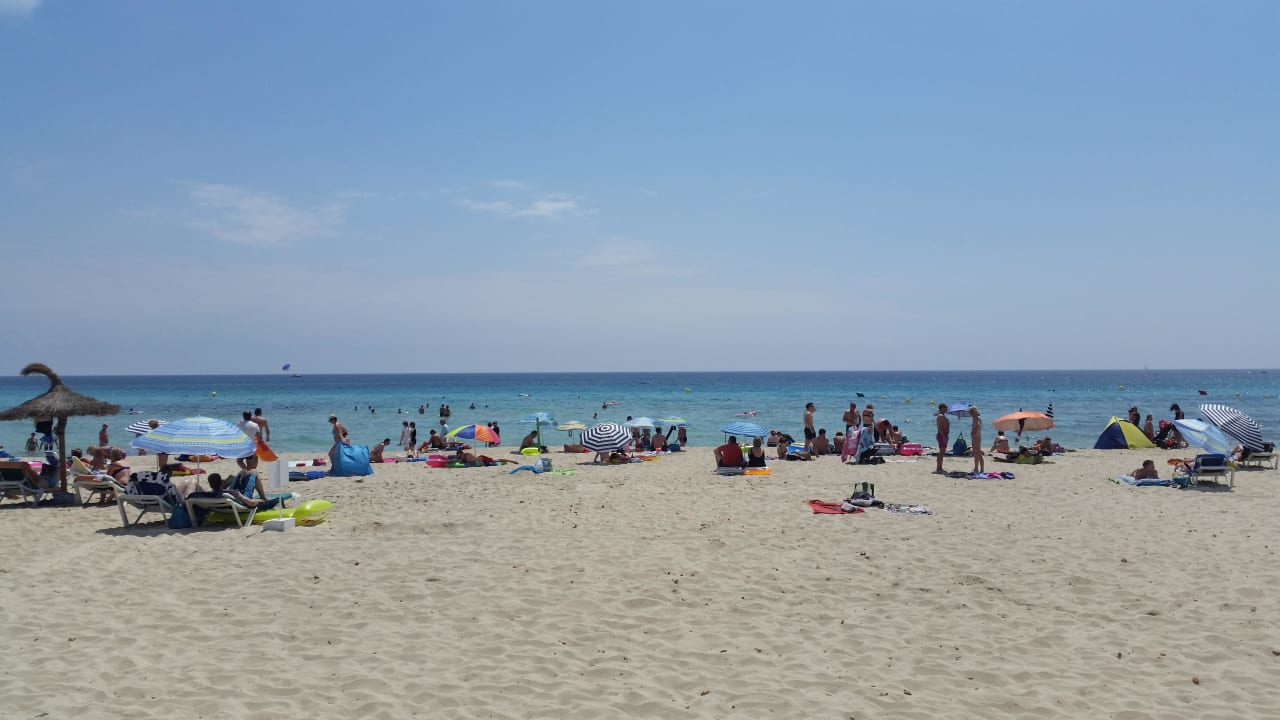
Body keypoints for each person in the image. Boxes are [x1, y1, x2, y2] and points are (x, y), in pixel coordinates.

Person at [935, 404, 950, 473]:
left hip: (944, 435)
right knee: (941, 452)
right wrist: (944, 436)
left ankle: (940, 467)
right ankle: (938, 468)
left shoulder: (942, 416)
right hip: (942, 435)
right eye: (944, 408)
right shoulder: (940, 416)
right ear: (941, 409)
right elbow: (940, 428)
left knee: (942, 452)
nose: (946, 410)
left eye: (946, 408)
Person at [969, 406, 984, 473]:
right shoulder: (974, 418)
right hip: (975, 437)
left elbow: (979, 426)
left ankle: (981, 469)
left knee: (978, 453)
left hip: (976, 438)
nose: (969, 414)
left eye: (970, 412)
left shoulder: (976, 419)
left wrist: (976, 434)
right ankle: (976, 468)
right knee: (976, 453)